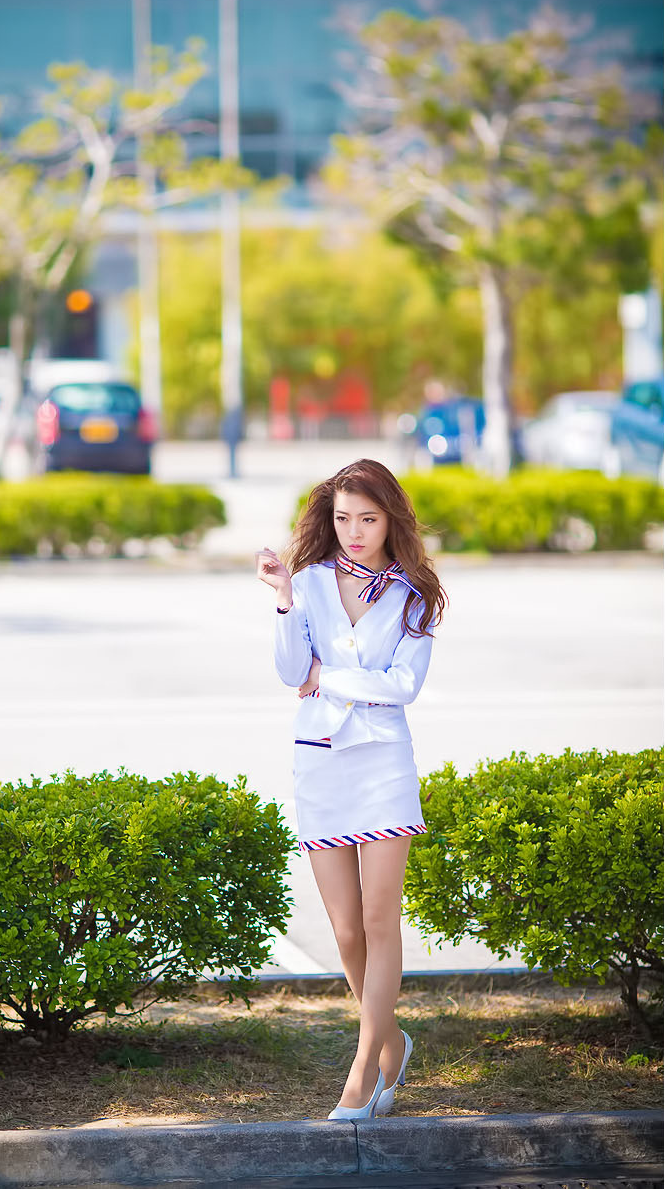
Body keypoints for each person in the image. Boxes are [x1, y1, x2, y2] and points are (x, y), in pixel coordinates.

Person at [256, 458, 446, 1120]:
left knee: (376, 918)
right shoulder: (306, 583)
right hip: (322, 765)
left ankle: (364, 1069)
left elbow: (401, 687)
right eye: (342, 519)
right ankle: (391, 1037)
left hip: (384, 766)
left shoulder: (413, 592)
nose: (354, 531)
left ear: (391, 517)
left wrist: (328, 678)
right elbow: (289, 671)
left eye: (367, 518)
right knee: (343, 930)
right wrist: (283, 597)